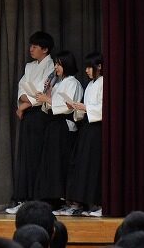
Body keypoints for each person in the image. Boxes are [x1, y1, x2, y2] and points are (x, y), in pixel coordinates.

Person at [7, 31, 55, 214]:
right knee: (25, 156)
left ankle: (36, 200)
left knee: (37, 157)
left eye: (35, 46)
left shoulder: (51, 66)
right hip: (28, 114)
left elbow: (41, 93)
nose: (31, 49)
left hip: (41, 115)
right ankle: (23, 198)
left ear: (45, 49)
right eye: (31, 46)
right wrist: (23, 103)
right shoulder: (29, 66)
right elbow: (22, 86)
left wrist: (23, 106)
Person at [33, 50, 83, 208]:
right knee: (50, 162)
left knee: (60, 162)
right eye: (55, 64)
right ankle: (51, 197)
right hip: (53, 124)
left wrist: (48, 99)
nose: (56, 67)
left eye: (58, 64)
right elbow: (49, 105)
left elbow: (68, 106)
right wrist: (47, 93)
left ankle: (63, 198)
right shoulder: (58, 83)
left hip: (63, 125)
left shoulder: (73, 82)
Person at [62, 52, 104, 217]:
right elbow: (85, 109)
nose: (87, 70)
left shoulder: (103, 83)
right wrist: (75, 108)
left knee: (94, 165)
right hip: (87, 127)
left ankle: (99, 203)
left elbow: (103, 107)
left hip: (97, 127)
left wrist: (85, 108)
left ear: (99, 66)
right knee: (82, 165)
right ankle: (85, 203)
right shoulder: (91, 84)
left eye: (90, 67)